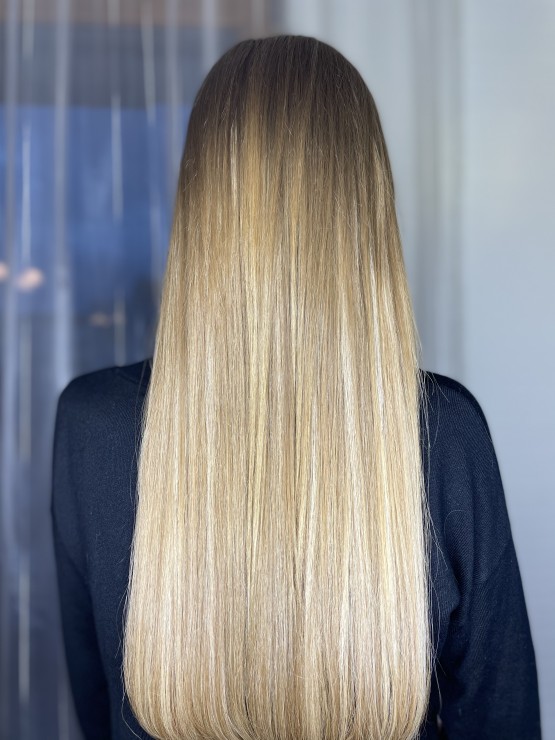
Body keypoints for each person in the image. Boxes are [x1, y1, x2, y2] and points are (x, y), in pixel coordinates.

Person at [51, 35, 541, 740]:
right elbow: (503, 718)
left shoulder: (91, 426)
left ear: (200, 199)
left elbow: (99, 709)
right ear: (367, 205)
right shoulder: (443, 433)